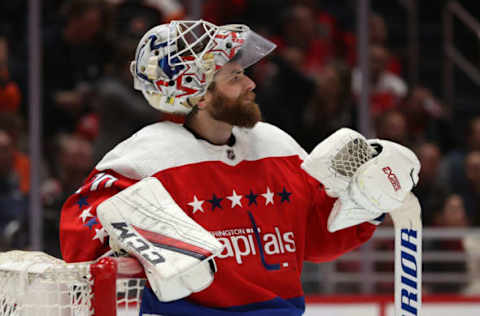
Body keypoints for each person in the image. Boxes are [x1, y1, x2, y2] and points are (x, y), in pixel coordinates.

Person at [60, 20, 420, 315]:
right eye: (234, 77)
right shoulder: (146, 158)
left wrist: (365, 205)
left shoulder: (275, 145)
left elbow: (314, 239)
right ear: (198, 94)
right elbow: (82, 228)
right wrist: (131, 245)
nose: (250, 84)